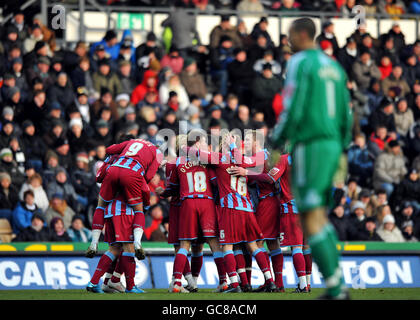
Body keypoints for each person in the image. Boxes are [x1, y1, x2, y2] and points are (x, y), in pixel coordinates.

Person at [273, 18, 352, 300]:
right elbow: (347, 113)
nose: (287, 40)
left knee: (309, 217)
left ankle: (335, 287)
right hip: (332, 146)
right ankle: (337, 285)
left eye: (289, 34)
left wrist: (275, 139)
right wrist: (341, 148)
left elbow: (292, 106)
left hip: (310, 144)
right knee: (318, 215)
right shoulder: (334, 66)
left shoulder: (300, 62)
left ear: (302, 34)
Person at [161, 131, 228, 293]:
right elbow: (215, 181)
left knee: (185, 244)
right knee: (214, 244)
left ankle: (177, 282)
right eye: (204, 142)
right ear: (197, 144)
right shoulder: (207, 161)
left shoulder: (177, 162)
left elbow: (173, 187)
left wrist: (161, 192)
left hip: (187, 203)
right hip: (207, 202)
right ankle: (224, 281)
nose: (206, 145)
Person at [87, 137, 162, 260]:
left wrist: (119, 151)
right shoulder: (157, 153)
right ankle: (138, 242)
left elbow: (109, 149)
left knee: (100, 207)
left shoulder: (132, 141)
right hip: (132, 174)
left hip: (114, 170)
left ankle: (94, 242)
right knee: (139, 210)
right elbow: (148, 176)